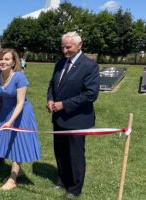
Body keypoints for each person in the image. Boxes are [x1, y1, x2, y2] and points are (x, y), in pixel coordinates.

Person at [46, 32, 100, 199]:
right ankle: (62, 179)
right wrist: (50, 99)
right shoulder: (60, 63)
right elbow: (52, 84)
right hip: (58, 117)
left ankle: (75, 188)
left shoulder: (89, 66)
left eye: (68, 47)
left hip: (77, 119)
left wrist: (64, 104)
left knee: (75, 155)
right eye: (63, 46)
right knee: (60, 151)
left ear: (79, 45)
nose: (64, 50)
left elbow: (91, 94)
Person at [0, 49, 40, 190]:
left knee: (16, 143)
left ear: (13, 62)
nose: (3, 62)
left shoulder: (19, 78)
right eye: (1, 59)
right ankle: (19, 171)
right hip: (5, 112)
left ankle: (12, 180)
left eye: (7, 59)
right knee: (4, 142)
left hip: (21, 114)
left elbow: (20, 103)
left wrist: (11, 121)